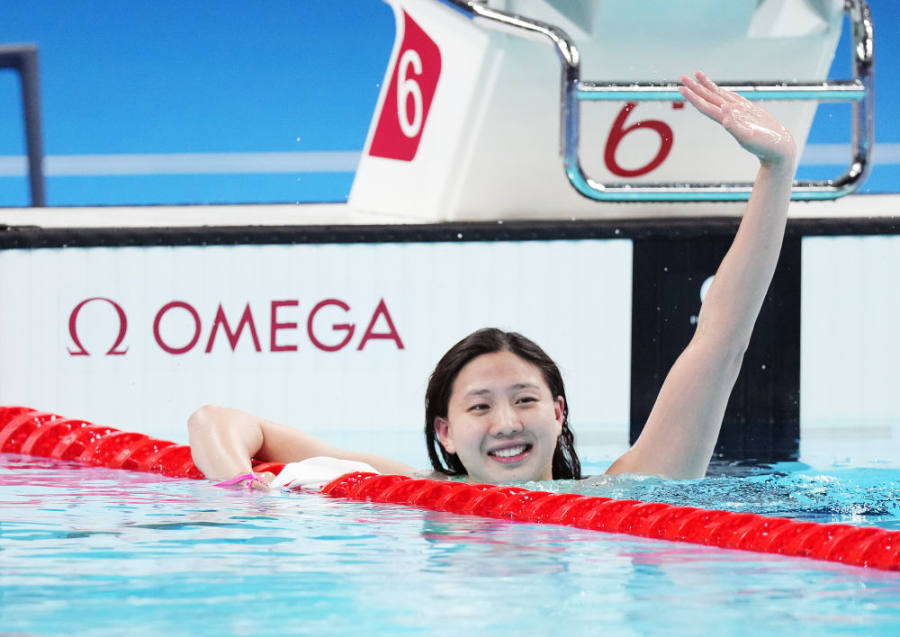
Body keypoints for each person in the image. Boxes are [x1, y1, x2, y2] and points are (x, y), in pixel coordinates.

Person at [188, 72, 797, 488]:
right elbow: (218, 421)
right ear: (446, 433)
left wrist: (777, 169)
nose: (506, 423)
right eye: (480, 406)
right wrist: (240, 492)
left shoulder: (632, 490)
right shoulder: (411, 494)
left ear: (558, 412)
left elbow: (721, 339)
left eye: (525, 400)